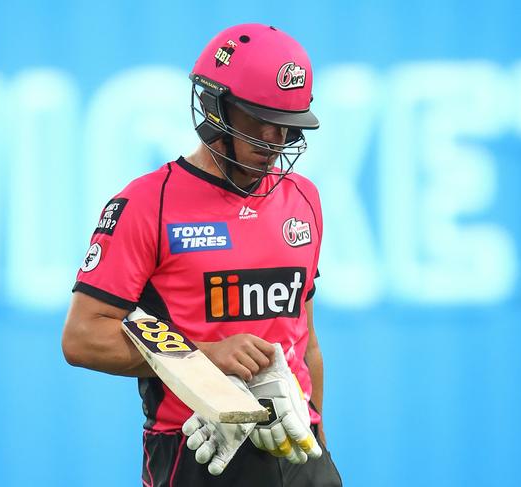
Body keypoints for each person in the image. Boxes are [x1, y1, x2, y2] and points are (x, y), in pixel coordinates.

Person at [62, 23, 342, 486]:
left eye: (287, 127)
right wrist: (203, 359)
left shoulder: (304, 198)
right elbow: (82, 337)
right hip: (197, 449)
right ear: (215, 108)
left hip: (296, 444)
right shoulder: (147, 203)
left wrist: (317, 436)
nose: (275, 141)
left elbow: (304, 339)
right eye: (260, 120)